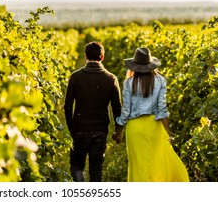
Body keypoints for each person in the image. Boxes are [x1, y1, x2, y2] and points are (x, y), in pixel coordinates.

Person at [112, 47, 189, 182]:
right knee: (157, 165)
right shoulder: (160, 81)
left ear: (135, 66)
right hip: (155, 126)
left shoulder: (129, 82)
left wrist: (119, 131)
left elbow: (126, 111)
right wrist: (168, 132)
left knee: (139, 167)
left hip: (135, 128)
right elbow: (162, 109)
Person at [64, 41, 122, 182]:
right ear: (102, 57)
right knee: (96, 170)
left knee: (77, 166)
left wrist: (72, 128)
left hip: (79, 128)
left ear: (85, 56)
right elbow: (117, 107)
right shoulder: (111, 78)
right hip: (100, 130)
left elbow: (67, 106)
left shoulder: (75, 77)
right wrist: (118, 130)